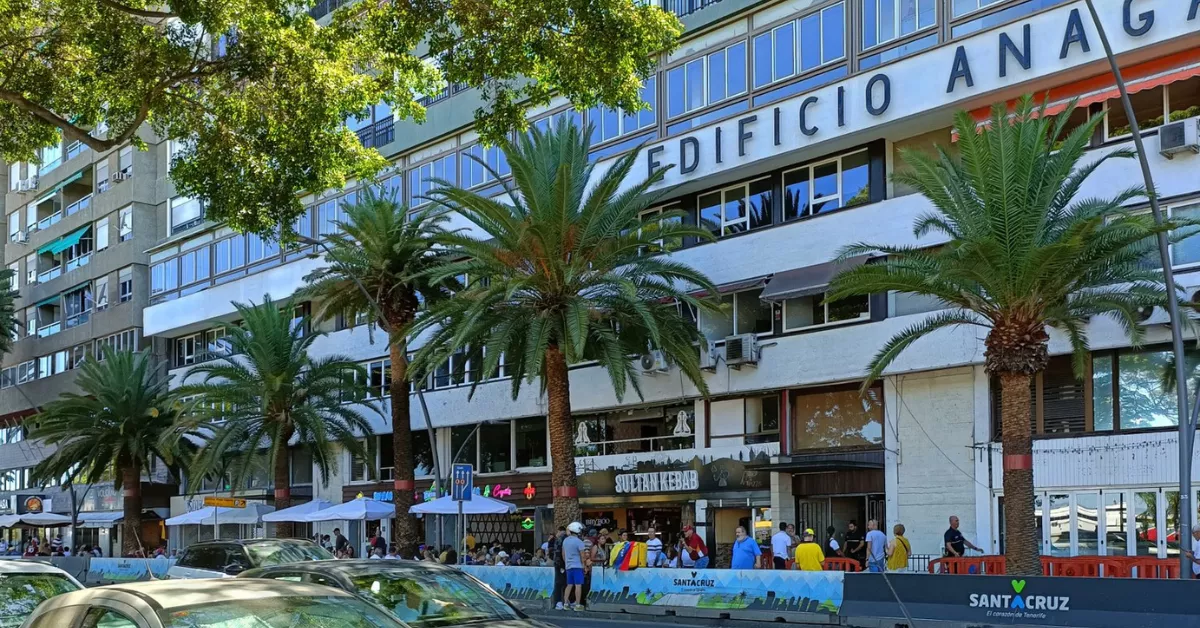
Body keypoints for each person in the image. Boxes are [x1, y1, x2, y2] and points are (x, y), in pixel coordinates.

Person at [562, 522, 589, 611]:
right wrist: (584, 566)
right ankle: (577, 605)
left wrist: (567, 563)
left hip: (568, 566)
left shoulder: (565, 541)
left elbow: (563, 554)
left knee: (569, 585)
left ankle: (565, 604)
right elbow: (583, 556)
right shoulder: (579, 542)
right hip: (577, 566)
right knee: (578, 585)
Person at [549, 526, 568, 610]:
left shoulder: (558, 539)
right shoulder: (562, 539)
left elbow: (555, 554)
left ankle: (559, 601)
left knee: (559, 583)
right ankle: (563, 601)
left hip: (559, 565)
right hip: (564, 564)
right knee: (564, 583)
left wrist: (558, 564)